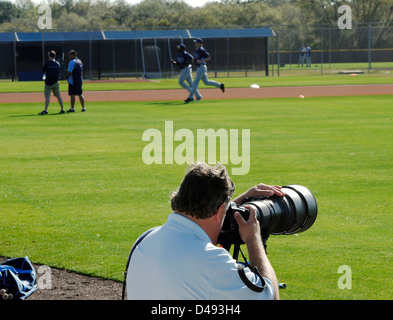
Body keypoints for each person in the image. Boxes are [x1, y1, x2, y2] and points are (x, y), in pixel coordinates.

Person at [126, 162, 283, 300]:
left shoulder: (144, 240)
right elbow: (270, 296)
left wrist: (233, 206)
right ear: (220, 209)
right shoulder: (213, 262)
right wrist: (253, 238)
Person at [186, 38, 225, 103]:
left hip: (202, 67)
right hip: (199, 68)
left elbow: (209, 57)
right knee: (206, 82)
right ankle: (220, 85)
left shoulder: (201, 50)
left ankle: (191, 97)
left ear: (199, 43)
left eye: (196, 42)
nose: (195, 43)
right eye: (195, 42)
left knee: (195, 82)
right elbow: (196, 59)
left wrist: (201, 61)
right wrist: (194, 60)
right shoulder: (196, 50)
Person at [39, 51, 64, 115]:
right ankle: (62, 109)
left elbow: (43, 71)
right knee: (58, 96)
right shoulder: (58, 63)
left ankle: (46, 110)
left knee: (47, 97)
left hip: (48, 82)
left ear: (50, 56)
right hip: (56, 82)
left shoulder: (47, 64)